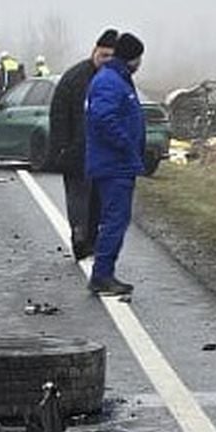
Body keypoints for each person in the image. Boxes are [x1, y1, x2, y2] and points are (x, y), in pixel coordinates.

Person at [85, 32, 146, 297]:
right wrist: (126, 144)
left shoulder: (117, 78)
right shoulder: (111, 81)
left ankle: (104, 273)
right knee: (114, 220)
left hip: (117, 163)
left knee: (115, 219)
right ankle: (102, 275)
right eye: (139, 58)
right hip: (113, 164)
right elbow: (103, 118)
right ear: (132, 57)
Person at [49, 29, 117, 259]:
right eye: (103, 55)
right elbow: (58, 115)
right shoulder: (75, 78)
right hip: (76, 151)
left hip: (103, 153)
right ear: (94, 52)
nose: (106, 61)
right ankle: (79, 238)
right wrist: (61, 147)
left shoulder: (115, 80)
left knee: (97, 200)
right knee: (78, 198)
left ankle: (92, 240)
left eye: (111, 57)